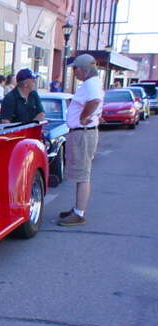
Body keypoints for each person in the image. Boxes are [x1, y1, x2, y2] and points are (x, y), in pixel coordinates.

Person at [57, 54, 104, 227]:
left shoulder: (91, 84)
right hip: (82, 132)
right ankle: (77, 208)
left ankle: (79, 213)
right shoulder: (92, 83)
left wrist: (84, 117)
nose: (74, 72)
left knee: (83, 174)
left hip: (83, 132)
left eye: (75, 68)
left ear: (82, 69)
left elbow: (94, 101)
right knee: (80, 173)